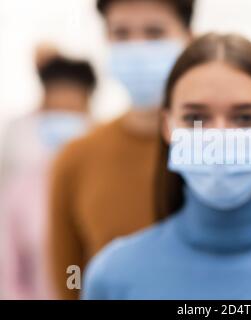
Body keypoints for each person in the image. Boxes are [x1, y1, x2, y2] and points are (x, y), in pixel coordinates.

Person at [82, 33, 251, 300]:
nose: (219, 137)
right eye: (195, 118)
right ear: (167, 126)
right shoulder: (113, 275)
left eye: (245, 117)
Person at [48, 0, 195, 299]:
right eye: (121, 34)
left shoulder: (217, 151)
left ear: (188, 39)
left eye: (154, 32)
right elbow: (69, 276)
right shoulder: (75, 157)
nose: (137, 48)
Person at [0, 55, 96, 300]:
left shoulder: (103, 178)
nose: (61, 120)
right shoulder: (20, 189)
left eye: (70, 111)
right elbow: (10, 273)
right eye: (53, 110)